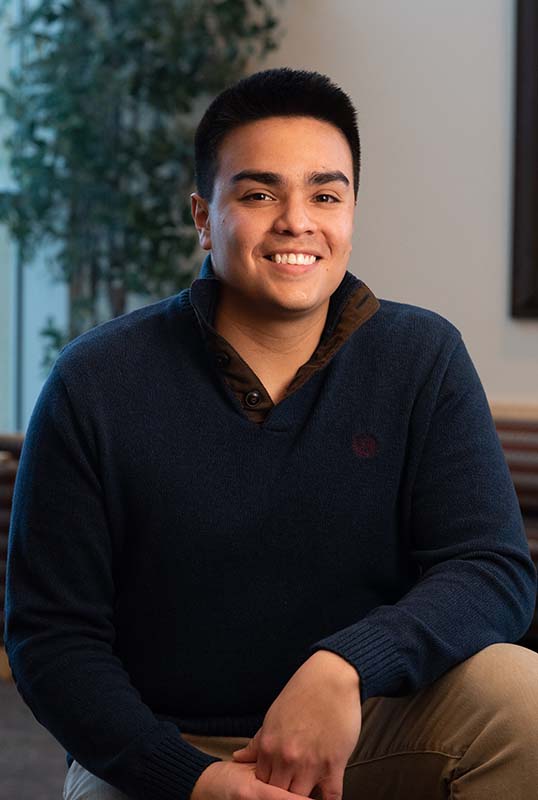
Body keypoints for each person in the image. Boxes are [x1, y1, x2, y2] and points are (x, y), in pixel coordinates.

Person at [4, 67, 538, 800]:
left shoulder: (421, 357)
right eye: (259, 194)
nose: (297, 221)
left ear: (352, 210)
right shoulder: (95, 381)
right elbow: (50, 637)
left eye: (325, 194)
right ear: (202, 215)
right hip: (166, 749)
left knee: (522, 694)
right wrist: (194, 779)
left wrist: (344, 666)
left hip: (366, 723)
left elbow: (491, 568)